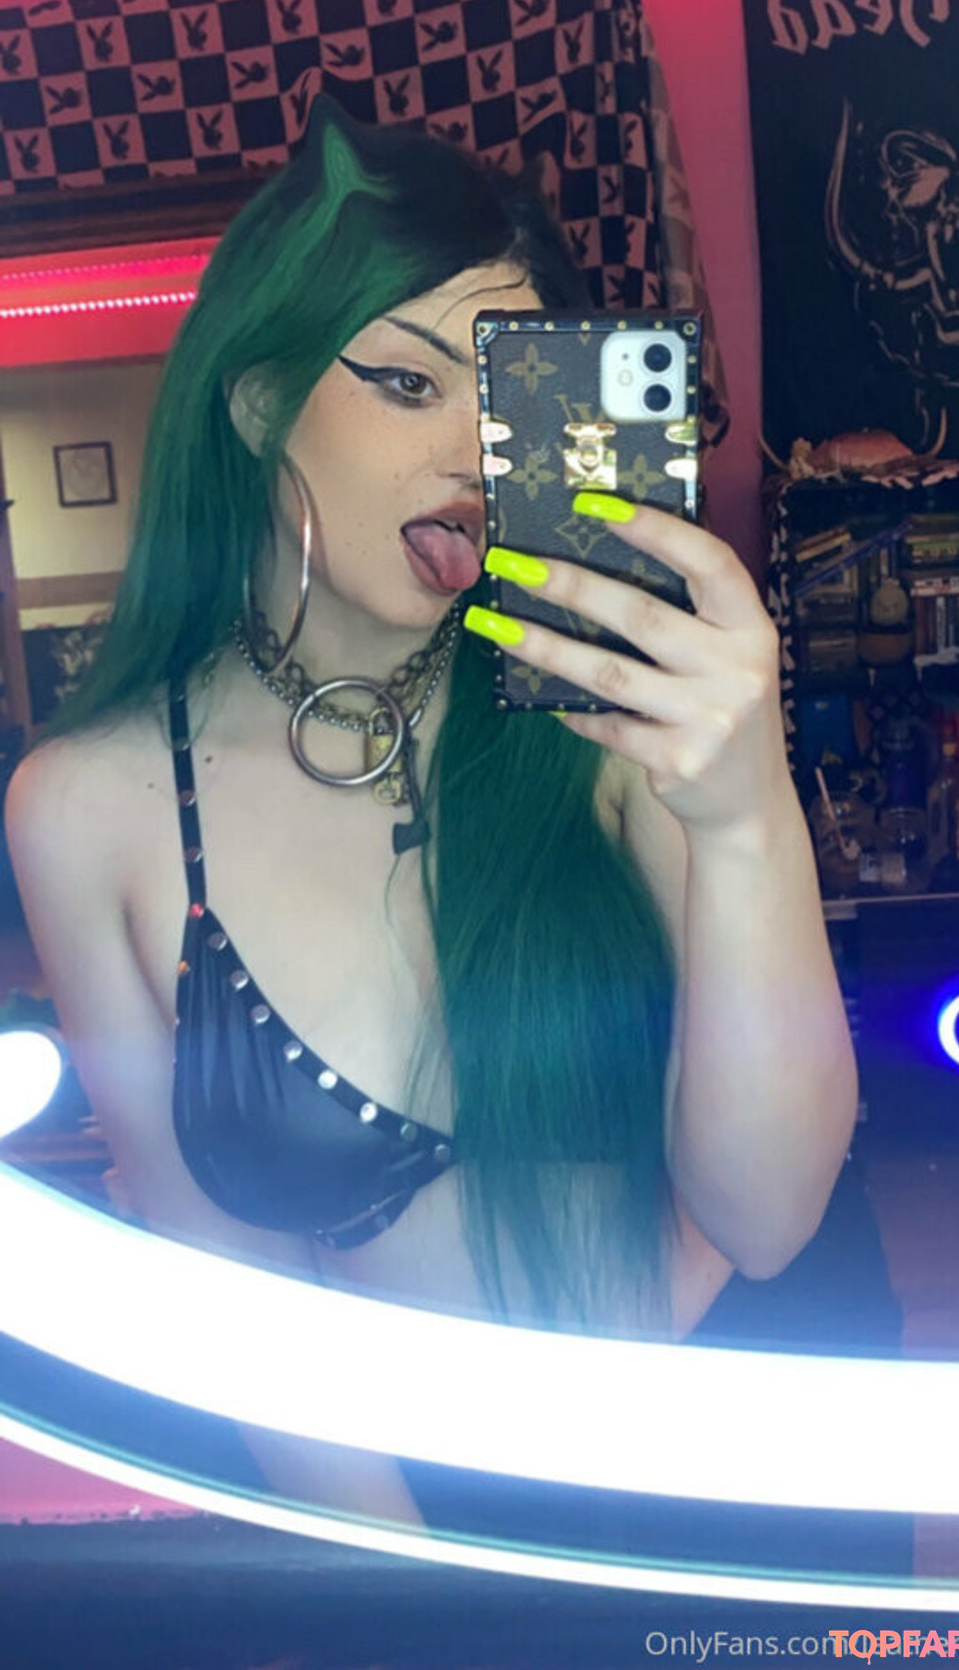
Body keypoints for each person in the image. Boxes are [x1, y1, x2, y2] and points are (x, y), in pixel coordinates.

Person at [5, 95, 857, 1537]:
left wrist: (744, 814)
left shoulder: (605, 715)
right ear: (259, 403)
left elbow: (769, 1223)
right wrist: (409, 1581)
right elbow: (221, 1279)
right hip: (399, 1519)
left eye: (505, 394)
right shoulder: (89, 807)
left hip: (731, 1470)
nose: (475, 453)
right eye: (408, 383)